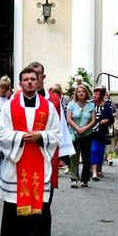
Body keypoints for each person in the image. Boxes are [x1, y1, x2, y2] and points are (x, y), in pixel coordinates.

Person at [0, 67, 61, 236]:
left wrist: (40, 135)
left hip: (39, 159)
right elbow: (0, 132)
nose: (30, 82)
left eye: (33, 79)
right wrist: (22, 137)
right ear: (20, 83)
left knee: (41, 203)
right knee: (15, 201)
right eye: (26, 79)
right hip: (17, 161)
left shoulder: (47, 107)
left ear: (39, 81)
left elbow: (56, 133)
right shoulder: (9, 106)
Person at [28, 62, 75, 195]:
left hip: (48, 151)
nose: (34, 78)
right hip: (25, 150)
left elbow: (61, 126)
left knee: (46, 195)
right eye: (31, 75)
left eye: (37, 74)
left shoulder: (53, 100)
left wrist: (62, 155)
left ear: (43, 76)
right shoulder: (18, 98)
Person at [66, 85, 96, 188]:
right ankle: (74, 178)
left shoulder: (91, 105)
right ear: (76, 93)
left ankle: (85, 179)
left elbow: (93, 120)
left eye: (83, 91)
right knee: (73, 156)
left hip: (87, 134)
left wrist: (84, 129)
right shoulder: (71, 104)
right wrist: (77, 128)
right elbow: (69, 119)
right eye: (79, 91)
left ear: (86, 93)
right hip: (74, 134)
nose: (81, 93)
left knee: (86, 156)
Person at [90, 86, 114, 181]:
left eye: (97, 94)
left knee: (100, 152)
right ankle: (94, 172)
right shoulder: (90, 104)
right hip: (92, 131)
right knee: (94, 150)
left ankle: (98, 169)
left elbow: (111, 119)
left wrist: (107, 120)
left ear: (102, 95)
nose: (94, 95)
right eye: (94, 93)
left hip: (102, 132)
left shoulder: (106, 106)